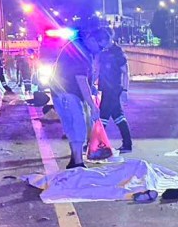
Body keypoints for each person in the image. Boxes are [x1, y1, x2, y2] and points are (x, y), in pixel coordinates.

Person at [51, 23, 102, 169]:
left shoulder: (77, 46)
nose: (100, 50)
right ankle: (78, 163)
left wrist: (91, 86)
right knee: (78, 126)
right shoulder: (81, 52)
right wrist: (92, 107)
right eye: (101, 46)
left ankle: (75, 159)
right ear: (92, 39)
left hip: (60, 92)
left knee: (72, 127)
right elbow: (81, 80)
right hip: (68, 93)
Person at [96, 28, 133, 153]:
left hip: (113, 89)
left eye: (101, 41)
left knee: (103, 117)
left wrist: (125, 90)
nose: (100, 44)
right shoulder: (103, 51)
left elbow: (126, 72)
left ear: (107, 39)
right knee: (118, 116)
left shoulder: (118, 53)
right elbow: (98, 70)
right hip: (106, 88)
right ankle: (127, 144)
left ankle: (96, 144)